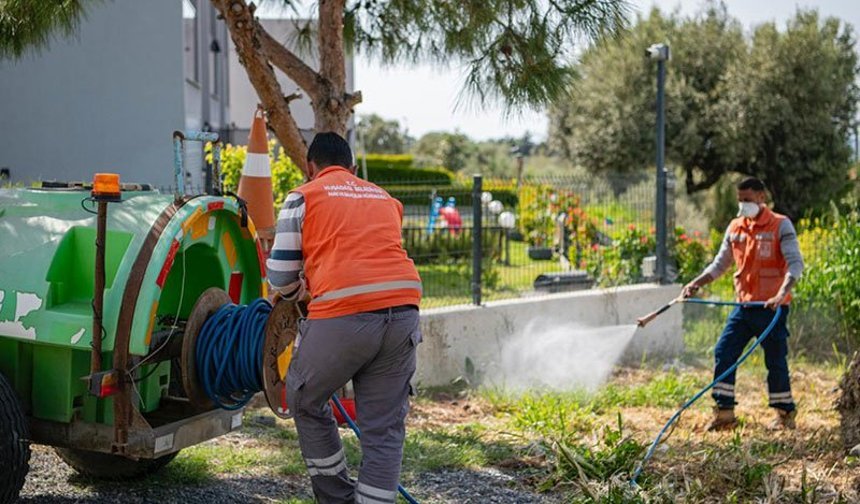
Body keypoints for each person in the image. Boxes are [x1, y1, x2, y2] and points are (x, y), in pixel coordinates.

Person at [266, 132, 422, 503]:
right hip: (404, 313)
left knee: (304, 399)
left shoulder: (303, 196)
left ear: (310, 167)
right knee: (384, 430)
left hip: (344, 315)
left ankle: (336, 497)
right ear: (352, 168)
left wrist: (296, 294)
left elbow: (280, 276)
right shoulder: (384, 197)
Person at [682, 177, 804, 431]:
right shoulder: (736, 227)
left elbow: (795, 266)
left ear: (761, 197)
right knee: (724, 352)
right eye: (740, 200)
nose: (743, 205)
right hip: (743, 307)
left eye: (747, 200)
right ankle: (724, 414)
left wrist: (781, 294)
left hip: (771, 309)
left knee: (775, 360)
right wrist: (696, 283)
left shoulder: (780, 225)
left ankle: (784, 414)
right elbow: (720, 265)